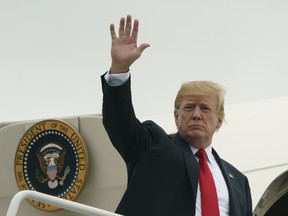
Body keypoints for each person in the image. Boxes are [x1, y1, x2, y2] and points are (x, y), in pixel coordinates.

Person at [101, 14, 252, 216]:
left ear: (219, 120)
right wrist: (119, 69)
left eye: (205, 108)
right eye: (189, 107)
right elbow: (119, 121)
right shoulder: (152, 146)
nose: (197, 115)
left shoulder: (239, 181)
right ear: (176, 116)